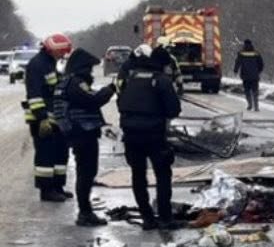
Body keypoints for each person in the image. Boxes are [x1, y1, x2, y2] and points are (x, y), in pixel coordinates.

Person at [116, 43, 182, 230]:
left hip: (131, 135)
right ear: (162, 64)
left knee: (138, 176)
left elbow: (121, 103)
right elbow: (174, 109)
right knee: (163, 174)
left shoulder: (131, 77)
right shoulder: (161, 80)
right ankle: (165, 218)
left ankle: (147, 218)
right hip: (154, 135)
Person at [62, 48, 117, 226]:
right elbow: (93, 100)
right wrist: (110, 89)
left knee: (86, 172)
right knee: (86, 172)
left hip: (81, 132)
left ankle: (85, 211)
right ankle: (85, 213)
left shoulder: (72, 81)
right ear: (82, 67)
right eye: (89, 68)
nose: (91, 72)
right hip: (82, 133)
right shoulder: (76, 83)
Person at [23, 33, 73, 201]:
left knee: (60, 153)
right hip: (42, 120)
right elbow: (34, 95)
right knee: (46, 155)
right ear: (53, 50)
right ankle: (46, 190)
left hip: (55, 118)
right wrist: (42, 118)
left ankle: (58, 186)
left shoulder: (49, 63)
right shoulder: (37, 65)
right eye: (62, 51)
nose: (63, 55)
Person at [233, 38, 264, 111]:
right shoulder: (256, 53)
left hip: (245, 76)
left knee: (247, 91)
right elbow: (261, 64)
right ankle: (256, 106)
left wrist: (235, 70)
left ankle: (250, 105)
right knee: (255, 91)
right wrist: (258, 71)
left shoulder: (241, 53)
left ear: (244, 44)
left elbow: (237, 63)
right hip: (254, 76)